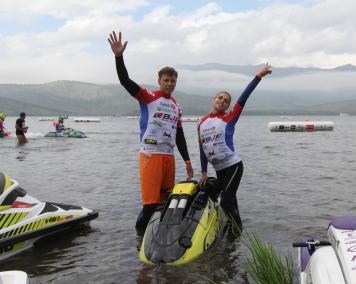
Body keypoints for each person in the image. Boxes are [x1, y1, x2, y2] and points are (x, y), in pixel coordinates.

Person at [108, 31, 194, 230]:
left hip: (168, 157)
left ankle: (157, 241)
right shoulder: (148, 97)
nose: (170, 84)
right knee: (150, 205)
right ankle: (139, 241)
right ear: (159, 80)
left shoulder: (175, 105)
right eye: (166, 80)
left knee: (165, 204)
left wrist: (187, 160)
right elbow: (125, 81)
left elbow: (179, 135)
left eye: (173, 81)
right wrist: (118, 56)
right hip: (150, 155)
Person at [197, 63, 272, 233]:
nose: (222, 101)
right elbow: (202, 148)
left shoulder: (230, 118)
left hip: (233, 166)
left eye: (226, 101)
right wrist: (203, 172)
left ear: (228, 106)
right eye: (220, 98)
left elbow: (244, 97)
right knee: (218, 194)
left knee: (226, 201)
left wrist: (258, 77)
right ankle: (229, 227)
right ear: (213, 100)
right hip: (219, 169)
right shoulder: (201, 122)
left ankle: (237, 232)